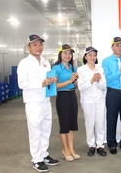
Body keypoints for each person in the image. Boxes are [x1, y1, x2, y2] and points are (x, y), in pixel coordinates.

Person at [17, 34, 59, 172]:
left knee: (46, 129)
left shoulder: (46, 62)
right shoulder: (24, 63)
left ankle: (44, 154)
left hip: (45, 101)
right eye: (34, 45)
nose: (38, 47)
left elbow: (48, 80)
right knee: (35, 132)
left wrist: (53, 81)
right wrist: (41, 83)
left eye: (40, 44)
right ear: (28, 47)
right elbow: (22, 83)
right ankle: (36, 159)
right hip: (33, 102)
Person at [52, 44, 80, 161]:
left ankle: (72, 149)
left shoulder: (73, 68)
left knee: (72, 125)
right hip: (62, 96)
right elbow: (55, 86)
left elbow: (75, 86)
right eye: (65, 53)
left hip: (72, 95)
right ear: (60, 55)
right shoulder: (56, 69)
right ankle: (65, 150)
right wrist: (70, 80)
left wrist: (76, 80)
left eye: (70, 53)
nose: (68, 55)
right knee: (64, 124)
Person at [77, 46, 107, 156]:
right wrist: (92, 80)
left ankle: (100, 145)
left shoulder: (100, 69)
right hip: (87, 100)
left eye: (94, 55)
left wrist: (98, 81)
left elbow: (104, 86)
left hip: (99, 100)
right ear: (85, 56)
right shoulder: (81, 70)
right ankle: (91, 145)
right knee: (89, 124)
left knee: (100, 123)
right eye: (90, 55)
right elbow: (81, 87)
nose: (92, 57)